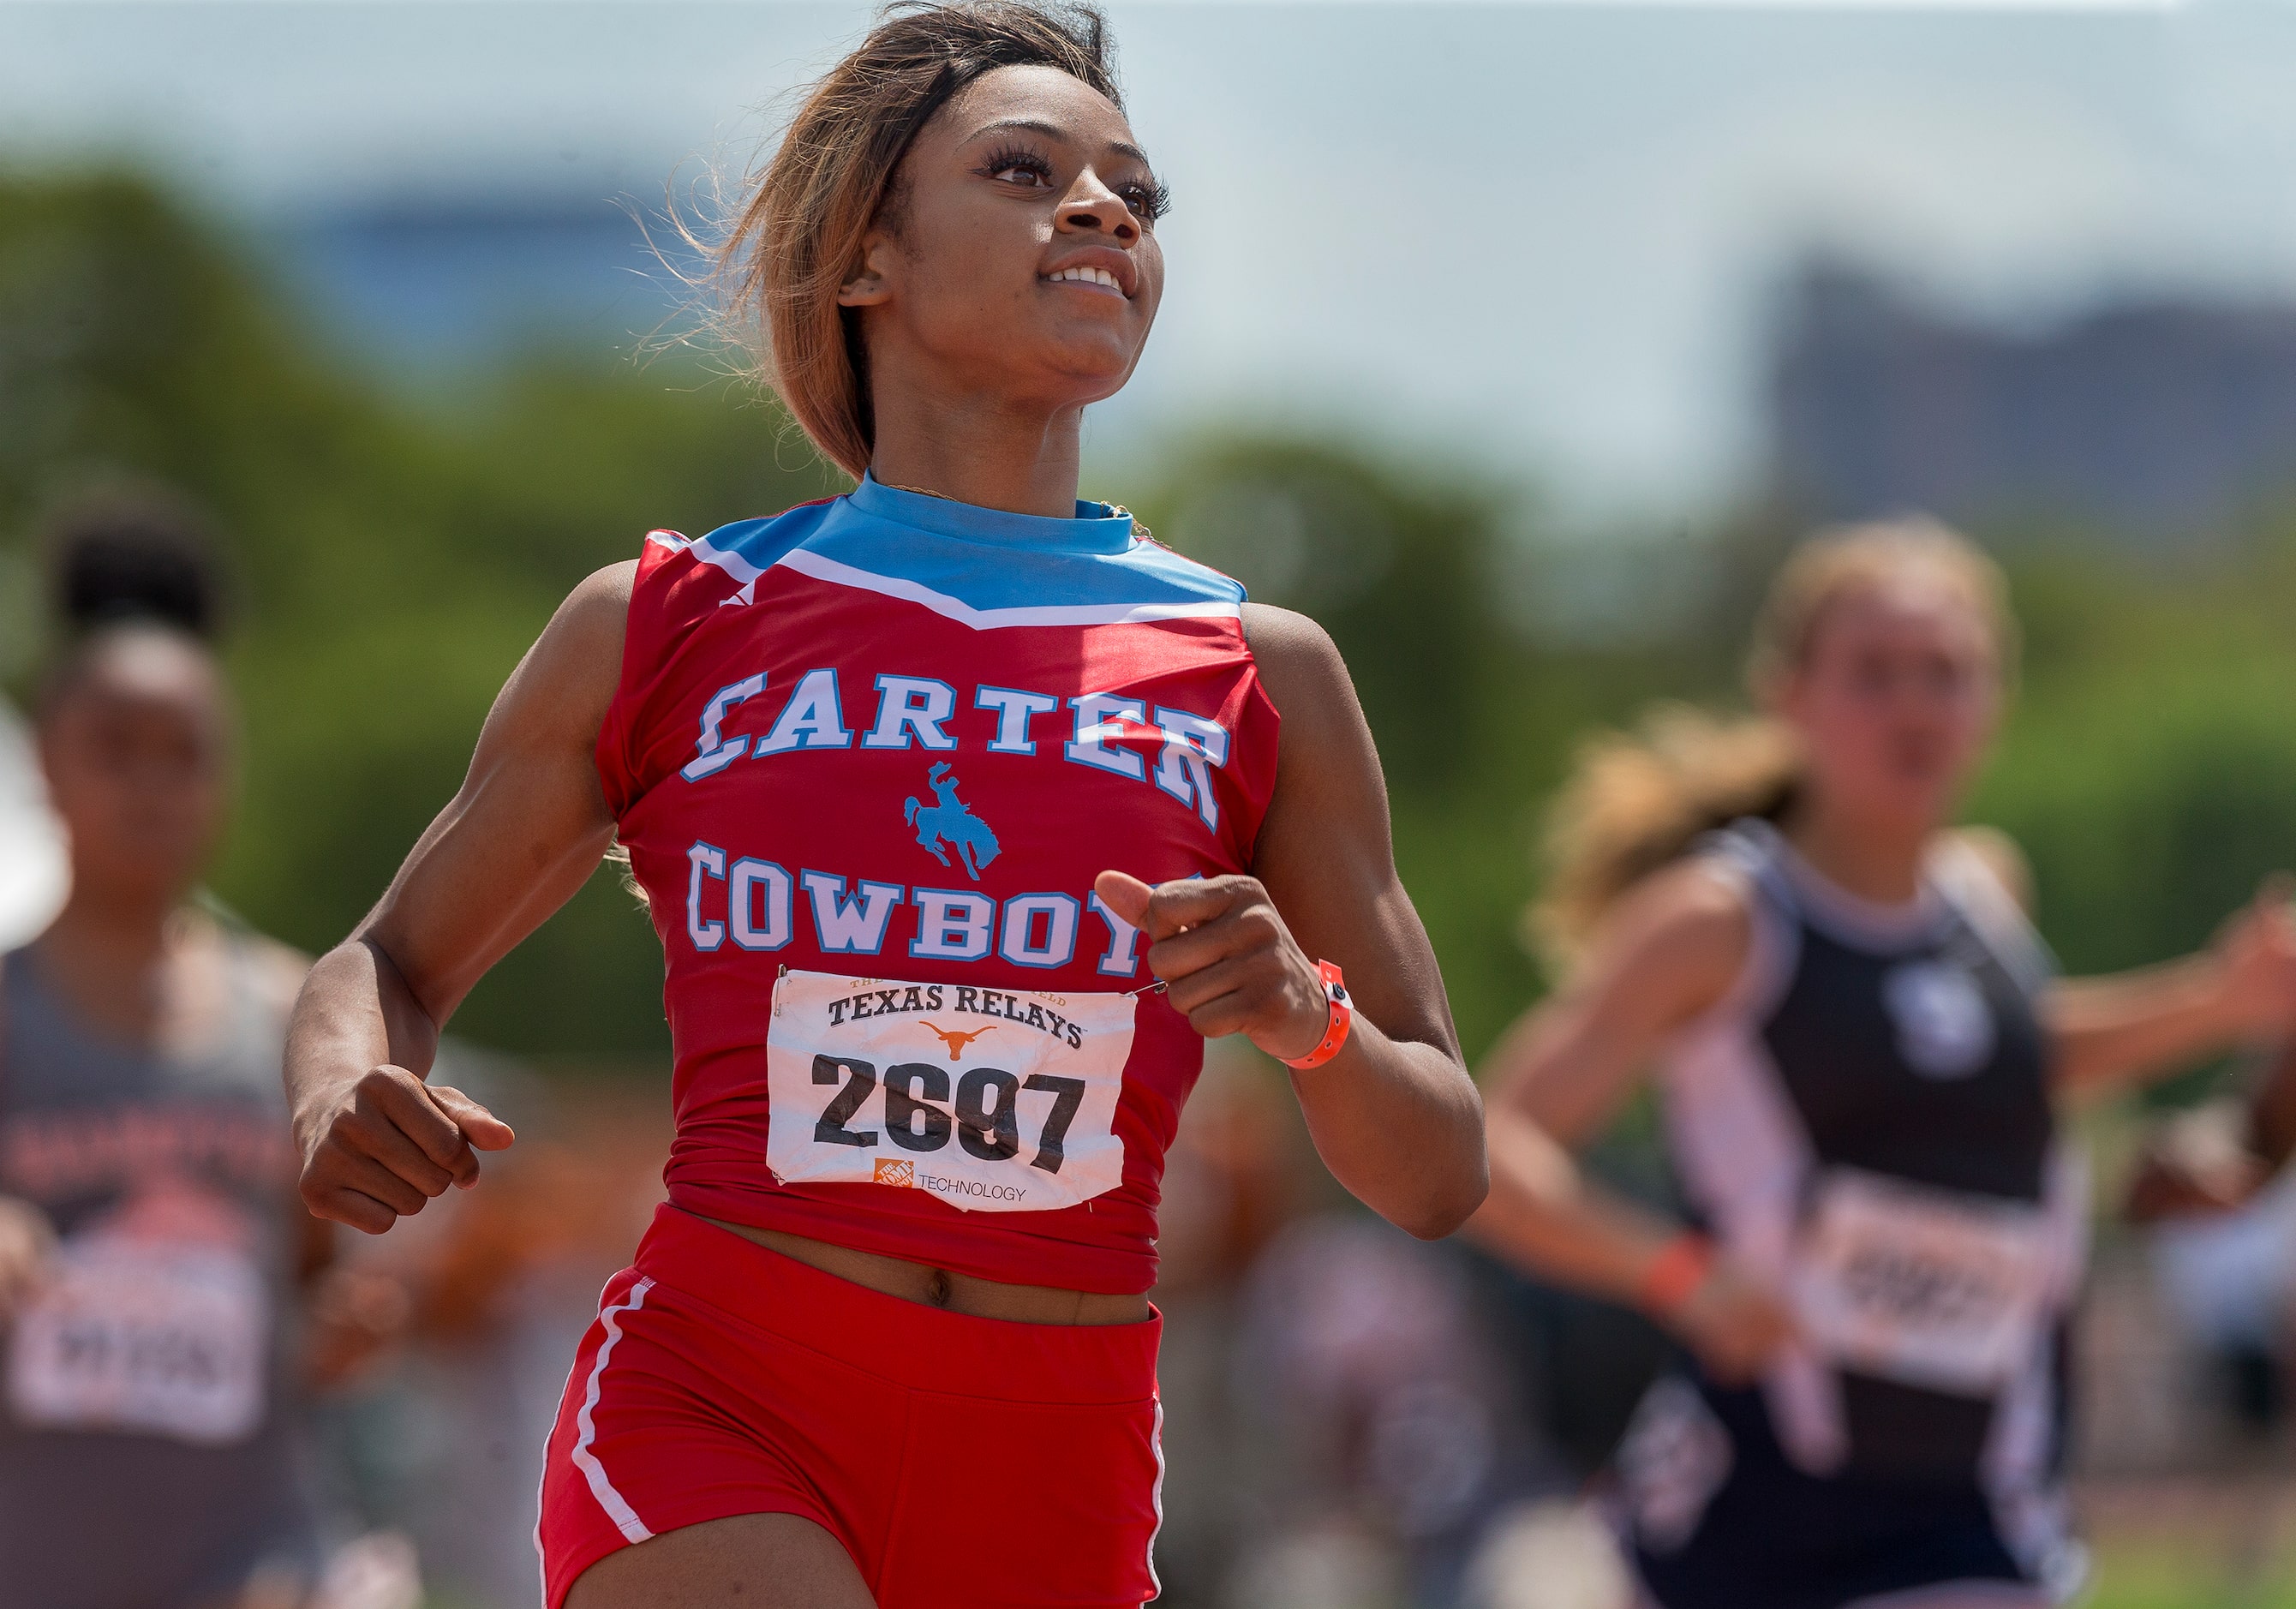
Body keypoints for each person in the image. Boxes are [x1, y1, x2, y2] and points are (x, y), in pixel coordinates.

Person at [280, 6, 1487, 1606]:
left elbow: (1441, 1168)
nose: (1105, 211)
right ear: (866, 258)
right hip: (724, 1397)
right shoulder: (667, 623)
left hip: (1061, 1453)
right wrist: (337, 1093)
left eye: (1135, 191)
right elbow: (386, 963)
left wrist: (1306, 1015)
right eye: (1024, 170)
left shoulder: (1260, 673)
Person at [1465, 517, 2296, 1609]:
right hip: (1755, 1515)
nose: (1914, 706)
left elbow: (2012, 1055)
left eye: (1946, 675)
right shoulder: (1719, 921)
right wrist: (1679, 1275)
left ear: (1992, 704)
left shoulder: (1986, 895)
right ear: (1789, 695)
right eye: (1874, 674)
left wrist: (2219, 999)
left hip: (1979, 1502)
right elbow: (1482, 1148)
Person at [0, 496, 338, 1607]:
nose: (150, 785)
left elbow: (323, 1295)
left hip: (245, 1570)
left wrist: (373, 1316)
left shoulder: (299, 1015)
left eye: (182, 754)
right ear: (44, 760)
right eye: (114, 749)